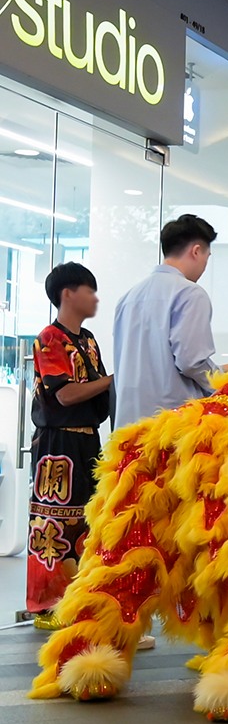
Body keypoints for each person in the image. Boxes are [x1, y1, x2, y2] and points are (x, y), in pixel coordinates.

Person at [24, 265, 113, 626]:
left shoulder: (88, 339)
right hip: (56, 444)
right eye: (88, 290)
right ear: (67, 294)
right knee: (52, 518)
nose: (94, 298)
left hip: (88, 439)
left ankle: (78, 597)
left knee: (87, 517)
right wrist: (111, 380)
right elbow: (65, 395)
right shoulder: (49, 338)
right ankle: (45, 604)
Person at [113, 214, 220, 427]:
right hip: (171, 427)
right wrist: (223, 379)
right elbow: (192, 362)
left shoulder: (127, 298)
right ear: (196, 251)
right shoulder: (190, 293)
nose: (205, 266)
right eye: (207, 257)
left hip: (127, 427)